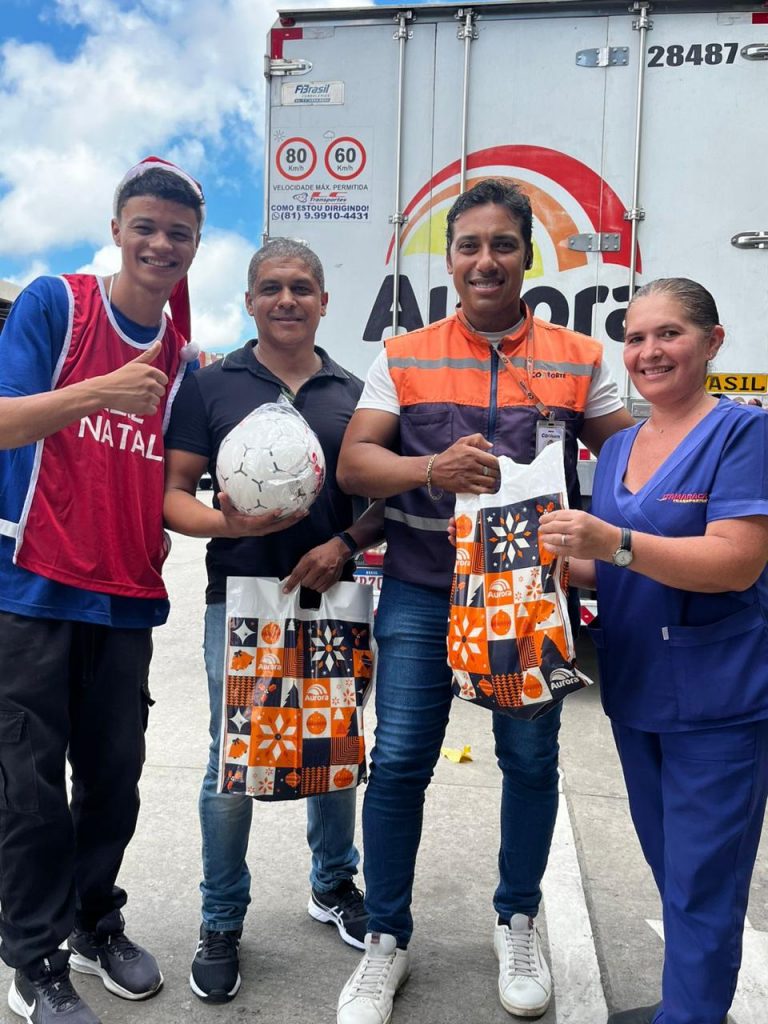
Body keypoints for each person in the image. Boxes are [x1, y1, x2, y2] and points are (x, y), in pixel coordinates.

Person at [334, 178, 634, 1023]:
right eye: (469, 245)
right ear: (450, 258)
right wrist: (430, 467)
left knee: (531, 763)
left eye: (503, 244)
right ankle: (385, 938)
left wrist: (622, 546)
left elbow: (632, 466)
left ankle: (517, 921)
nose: (485, 260)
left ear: (527, 256)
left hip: (529, 596)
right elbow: (355, 465)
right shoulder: (404, 353)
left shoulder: (580, 357)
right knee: (399, 764)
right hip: (422, 591)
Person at [0, 156, 204, 1024]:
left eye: (178, 234)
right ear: (117, 230)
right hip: (32, 589)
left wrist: (233, 518)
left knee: (114, 784)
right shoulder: (58, 303)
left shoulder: (185, 360)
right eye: (145, 227)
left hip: (124, 597)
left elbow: (173, 485)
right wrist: (101, 390)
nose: (160, 244)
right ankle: (34, 958)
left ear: (194, 246)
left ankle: (92, 921)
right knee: (29, 791)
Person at [537, 278, 768, 1024]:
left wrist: (614, 542)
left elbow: (736, 562)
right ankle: (688, 1005)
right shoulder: (620, 447)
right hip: (637, 690)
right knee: (672, 866)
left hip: (719, 698)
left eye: (669, 334)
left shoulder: (744, 435)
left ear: (712, 342)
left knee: (704, 881)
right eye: (635, 338)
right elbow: (610, 566)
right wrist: (520, 558)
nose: (648, 352)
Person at [163, 238, 383, 1004]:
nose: (285, 300)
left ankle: (333, 885)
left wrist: (344, 544)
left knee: (334, 749)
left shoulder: (354, 391)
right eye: (270, 288)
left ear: (324, 300)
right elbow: (173, 496)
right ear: (249, 300)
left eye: (300, 287)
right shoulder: (212, 386)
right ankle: (221, 918)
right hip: (241, 598)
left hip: (331, 596)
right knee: (231, 766)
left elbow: (385, 501)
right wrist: (230, 527)